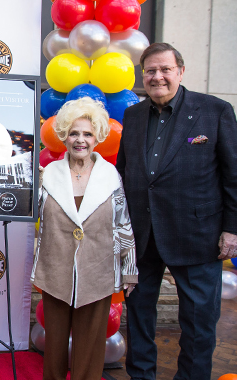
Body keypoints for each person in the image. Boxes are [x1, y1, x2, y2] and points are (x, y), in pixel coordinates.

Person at [116, 43, 237, 380]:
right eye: (150, 71)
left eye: (165, 69)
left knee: (199, 324)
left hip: (198, 235)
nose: (158, 77)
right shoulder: (133, 115)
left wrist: (233, 228)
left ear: (180, 71)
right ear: (143, 75)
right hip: (142, 235)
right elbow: (124, 173)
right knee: (138, 317)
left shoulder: (214, 110)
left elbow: (234, 175)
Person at [31, 97, 138, 380]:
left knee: (90, 348)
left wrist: (129, 271)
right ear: (64, 135)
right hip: (55, 271)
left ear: (97, 137)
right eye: (74, 133)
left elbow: (123, 223)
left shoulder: (110, 175)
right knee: (53, 348)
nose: (80, 140)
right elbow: (30, 217)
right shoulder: (48, 174)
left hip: (98, 271)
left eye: (88, 134)